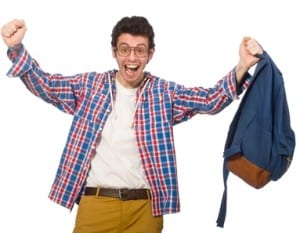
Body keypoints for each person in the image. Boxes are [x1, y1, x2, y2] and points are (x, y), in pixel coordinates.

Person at [1, 16, 263, 233]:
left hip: (145, 210)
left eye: (140, 50)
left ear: (150, 54)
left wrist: (243, 65)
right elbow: (46, 85)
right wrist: (16, 49)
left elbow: (209, 100)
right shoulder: (89, 87)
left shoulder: (163, 93)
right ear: (114, 52)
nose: (132, 58)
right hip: (96, 204)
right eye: (124, 49)